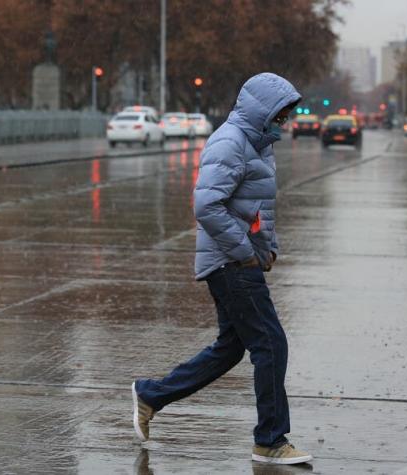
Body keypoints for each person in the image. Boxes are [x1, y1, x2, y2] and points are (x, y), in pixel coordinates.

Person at [132, 73, 312, 465]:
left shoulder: (257, 144)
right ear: (263, 109)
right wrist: (246, 252)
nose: (284, 122)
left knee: (230, 349)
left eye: (287, 116)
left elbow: (256, 207)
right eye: (280, 114)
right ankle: (270, 440)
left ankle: (151, 395)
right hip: (230, 263)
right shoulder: (231, 142)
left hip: (239, 260)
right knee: (270, 343)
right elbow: (207, 206)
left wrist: (268, 249)